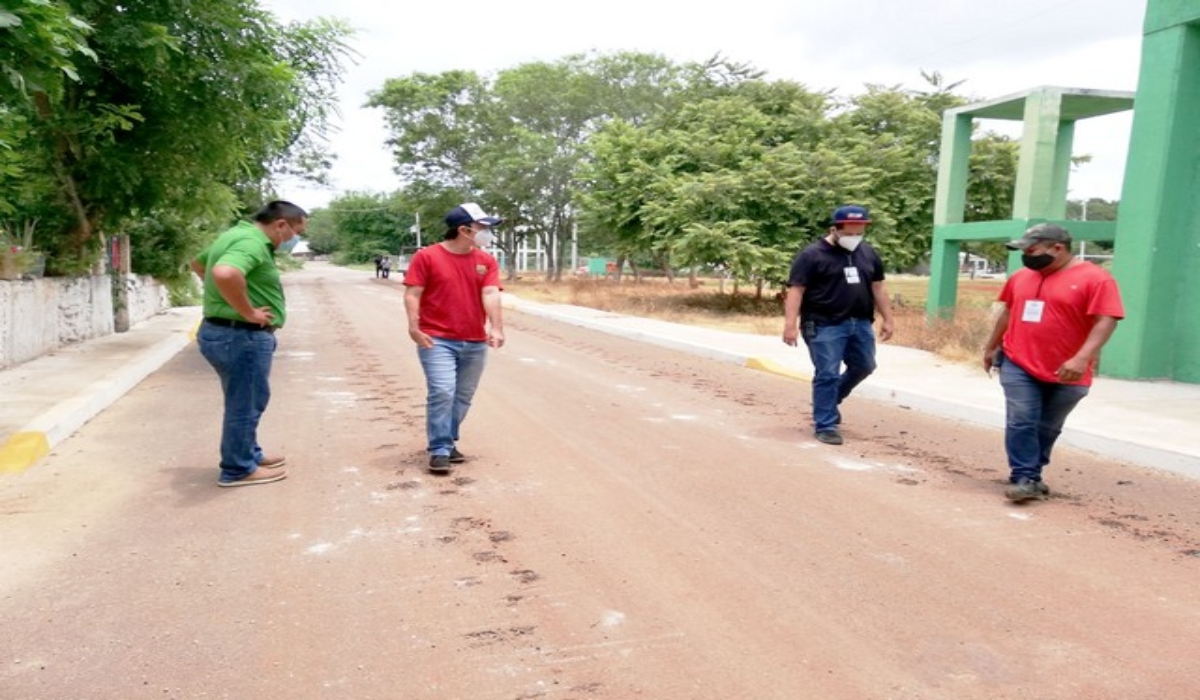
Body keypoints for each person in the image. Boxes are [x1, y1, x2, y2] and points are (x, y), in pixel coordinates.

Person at [982, 224, 1124, 502]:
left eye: (1031, 250)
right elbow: (1009, 312)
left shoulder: (1096, 279)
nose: (1025, 256)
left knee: (1047, 426)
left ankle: (1031, 472)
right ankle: (1025, 477)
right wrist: (990, 346)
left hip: (1069, 369)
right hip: (1018, 360)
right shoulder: (1021, 277)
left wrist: (1082, 358)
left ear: (1056, 248)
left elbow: (1106, 320)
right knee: (1022, 419)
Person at [190, 200, 307, 487]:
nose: (293, 239)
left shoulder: (234, 235)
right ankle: (238, 468)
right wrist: (247, 311)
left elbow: (198, 263)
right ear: (281, 224)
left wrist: (224, 299)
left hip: (223, 332)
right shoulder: (252, 243)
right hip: (240, 336)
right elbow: (225, 273)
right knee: (246, 402)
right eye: (295, 232)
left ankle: (248, 454)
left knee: (243, 398)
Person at [403, 202, 505, 474]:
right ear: (464, 229)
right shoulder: (427, 257)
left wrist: (496, 327)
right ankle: (439, 449)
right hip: (436, 339)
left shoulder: (486, 261)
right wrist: (414, 327)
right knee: (442, 391)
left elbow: (491, 293)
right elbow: (413, 293)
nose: (487, 233)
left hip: (473, 340)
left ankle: (447, 442)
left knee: (462, 396)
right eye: (482, 227)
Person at [783, 205, 895, 445]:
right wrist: (790, 325)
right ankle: (825, 424)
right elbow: (796, 290)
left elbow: (878, 288)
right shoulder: (812, 255)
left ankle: (831, 401)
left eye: (860, 232)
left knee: (865, 366)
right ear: (835, 229)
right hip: (823, 324)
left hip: (861, 323)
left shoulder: (868, 253)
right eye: (850, 232)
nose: (854, 237)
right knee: (827, 374)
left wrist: (888, 318)